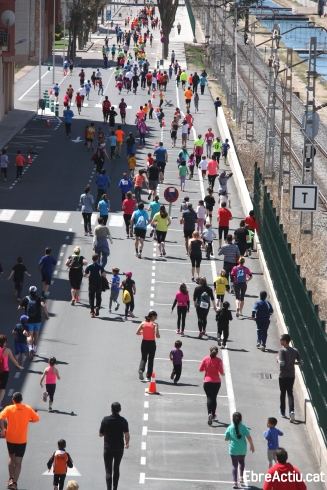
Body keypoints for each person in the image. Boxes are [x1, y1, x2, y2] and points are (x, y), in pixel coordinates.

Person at [0, 392, 39, 490]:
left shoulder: (9, 408)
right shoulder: (28, 408)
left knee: (11, 457)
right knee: (19, 461)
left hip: (11, 438)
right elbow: (36, 419)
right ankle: (15, 483)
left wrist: (3, 429)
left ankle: (10, 478)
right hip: (22, 439)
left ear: (13, 400)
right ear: (21, 400)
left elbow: (1, 417)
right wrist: (27, 419)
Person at [99, 402, 130, 490]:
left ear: (111, 409)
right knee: (116, 468)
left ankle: (109, 488)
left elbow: (100, 434)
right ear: (120, 410)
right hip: (119, 448)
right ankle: (115, 488)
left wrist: (106, 433)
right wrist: (127, 443)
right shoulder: (123, 420)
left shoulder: (105, 419)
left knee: (108, 470)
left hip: (108, 448)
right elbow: (126, 434)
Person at [277, 334, 304, 421]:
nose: (280, 340)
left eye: (281, 339)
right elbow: (301, 362)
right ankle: (291, 411)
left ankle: (283, 411)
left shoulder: (282, 351)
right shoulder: (294, 350)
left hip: (283, 375)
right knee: (290, 393)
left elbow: (282, 363)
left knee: (282, 393)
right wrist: (293, 363)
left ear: (284, 341)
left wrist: (277, 359)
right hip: (291, 375)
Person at [225, 412, 255, 489]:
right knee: (241, 462)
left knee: (234, 465)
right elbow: (249, 437)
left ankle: (235, 482)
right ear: (241, 419)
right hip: (242, 449)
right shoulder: (244, 427)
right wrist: (252, 445)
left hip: (233, 449)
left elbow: (226, 438)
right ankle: (241, 477)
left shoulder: (230, 427)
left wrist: (231, 438)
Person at [18, 286, 49, 358]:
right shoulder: (39, 298)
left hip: (28, 320)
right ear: (36, 292)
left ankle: (30, 348)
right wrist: (47, 315)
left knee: (29, 335)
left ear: (29, 292)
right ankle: (34, 349)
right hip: (37, 320)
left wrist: (24, 307)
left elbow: (19, 308)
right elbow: (43, 305)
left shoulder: (26, 299)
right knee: (36, 335)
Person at [199, 346, 225, 425]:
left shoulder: (206, 359)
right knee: (214, 397)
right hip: (216, 382)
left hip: (207, 381)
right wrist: (223, 374)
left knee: (209, 397)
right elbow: (221, 372)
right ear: (217, 352)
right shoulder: (219, 360)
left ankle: (209, 413)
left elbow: (200, 369)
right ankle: (213, 414)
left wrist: (206, 369)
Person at [0, 335, 24, 409]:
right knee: (2, 388)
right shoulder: (7, 350)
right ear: (5, 342)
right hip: (4, 371)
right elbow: (13, 360)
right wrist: (19, 366)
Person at [136, 311, 160, 380]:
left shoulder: (143, 323)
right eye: (155, 316)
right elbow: (157, 336)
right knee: (151, 359)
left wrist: (143, 333)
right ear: (152, 316)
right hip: (152, 343)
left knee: (143, 358)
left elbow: (137, 332)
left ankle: (141, 370)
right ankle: (148, 375)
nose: (155, 318)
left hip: (144, 342)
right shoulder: (154, 325)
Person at [84, 253, 106, 318]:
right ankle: (97, 307)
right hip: (98, 283)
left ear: (92, 259)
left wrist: (88, 276)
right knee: (98, 296)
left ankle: (92, 312)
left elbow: (85, 274)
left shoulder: (89, 266)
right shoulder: (100, 266)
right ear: (98, 259)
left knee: (91, 297)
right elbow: (104, 274)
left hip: (91, 283)